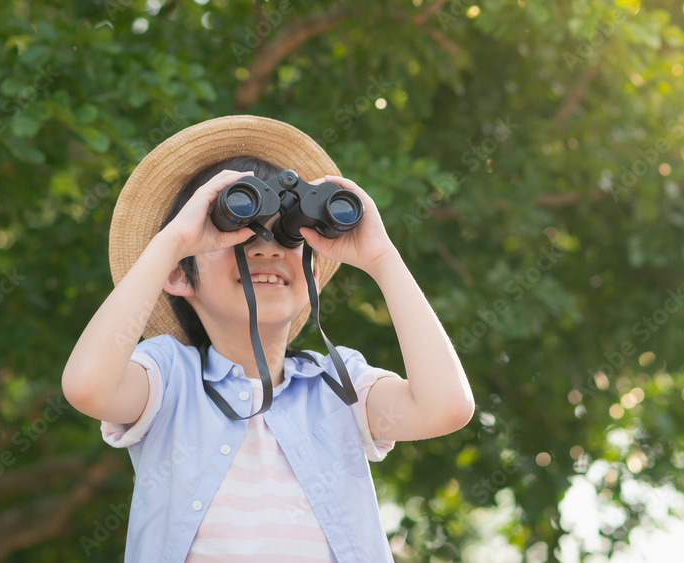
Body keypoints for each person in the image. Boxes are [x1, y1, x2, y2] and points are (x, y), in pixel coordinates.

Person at [61, 115, 476, 562]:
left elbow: (446, 407)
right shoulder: (168, 380)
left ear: (313, 269)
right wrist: (176, 238)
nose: (265, 248)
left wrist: (381, 257)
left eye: (287, 233)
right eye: (232, 231)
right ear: (180, 274)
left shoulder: (338, 388)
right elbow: (88, 386)